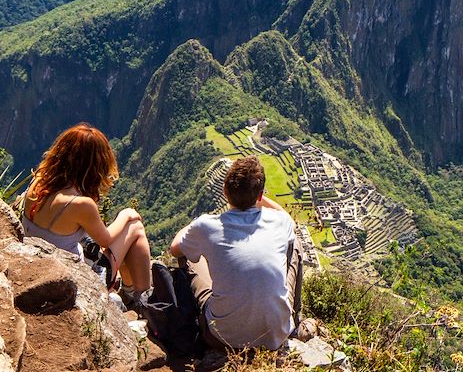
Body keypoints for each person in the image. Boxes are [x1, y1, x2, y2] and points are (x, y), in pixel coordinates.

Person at [169, 156, 302, 350]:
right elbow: (288, 220)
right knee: (295, 243)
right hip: (276, 334)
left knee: (187, 252)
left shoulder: (206, 226)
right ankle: (294, 320)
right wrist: (256, 196)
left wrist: (194, 226)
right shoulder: (279, 221)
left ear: (224, 191)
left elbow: (174, 249)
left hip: (222, 337)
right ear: (260, 195)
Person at [20, 123, 152, 297]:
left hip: (37, 263)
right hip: (76, 280)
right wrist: (126, 214)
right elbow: (106, 240)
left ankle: (130, 293)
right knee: (135, 227)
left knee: (127, 233)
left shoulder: (39, 180)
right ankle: (144, 299)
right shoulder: (80, 204)